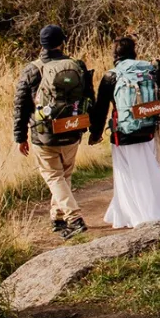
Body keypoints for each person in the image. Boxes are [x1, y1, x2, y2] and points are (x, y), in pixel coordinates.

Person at [89, 37, 160, 229]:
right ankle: (154, 205)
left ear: (114, 55)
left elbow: (101, 109)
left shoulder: (111, 76)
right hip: (148, 129)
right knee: (148, 168)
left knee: (127, 172)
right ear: (134, 51)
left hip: (123, 133)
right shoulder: (149, 69)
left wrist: (95, 133)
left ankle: (131, 211)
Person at [12, 24, 95, 238]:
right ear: (62, 42)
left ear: (42, 44)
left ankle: (73, 218)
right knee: (64, 175)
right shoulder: (77, 65)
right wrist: (90, 126)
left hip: (44, 134)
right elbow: (89, 97)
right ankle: (57, 219)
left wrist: (19, 137)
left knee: (54, 176)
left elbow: (20, 106)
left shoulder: (32, 69)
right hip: (72, 129)